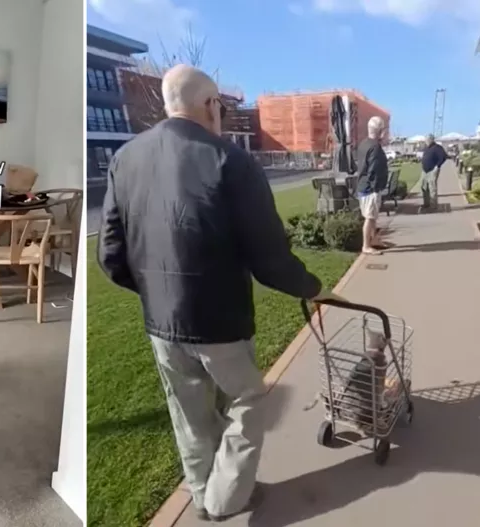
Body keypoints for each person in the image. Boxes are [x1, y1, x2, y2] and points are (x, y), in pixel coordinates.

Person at [97, 64, 342, 521]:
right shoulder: (231, 160)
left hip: (161, 321)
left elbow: (110, 254)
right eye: (221, 106)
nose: (223, 115)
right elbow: (269, 256)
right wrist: (310, 286)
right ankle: (225, 498)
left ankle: (202, 490)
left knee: (188, 413)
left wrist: (153, 292)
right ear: (210, 105)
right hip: (221, 321)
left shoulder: (124, 157)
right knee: (248, 401)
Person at [355, 116, 389, 255]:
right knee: (369, 217)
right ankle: (366, 246)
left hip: (365, 186)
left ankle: (374, 239)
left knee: (373, 216)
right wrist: (376, 188)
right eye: (384, 130)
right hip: (370, 188)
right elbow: (373, 170)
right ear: (380, 131)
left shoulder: (364, 144)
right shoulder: (374, 147)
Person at [420, 134, 448, 211]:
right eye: (425, 140)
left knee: (432, 187)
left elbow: (444, 157)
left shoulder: (437, 148)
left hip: (432, 170)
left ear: (431, 140)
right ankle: (426, 203)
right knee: (424, 187)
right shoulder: (427, 148)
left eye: (427, 140)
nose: (426, 141)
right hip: (424, 171)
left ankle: (433, 205)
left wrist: (437, 166)